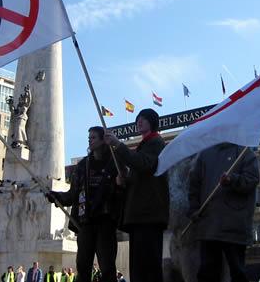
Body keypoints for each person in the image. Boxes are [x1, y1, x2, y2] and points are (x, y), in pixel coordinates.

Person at [46, 126, 120, 282]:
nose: (90, 140)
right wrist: (57, 197)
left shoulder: (113, 163)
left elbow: (122, 189)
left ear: (103, 140)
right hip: (85, 222)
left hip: (106, 221)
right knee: (82, 265)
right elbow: (73, 194)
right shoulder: (82, 166)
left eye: (93, 137)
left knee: (107, 265)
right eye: (89, 138)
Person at [104, 109, 169, 282]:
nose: (139, 122)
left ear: (152, 122)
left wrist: (118, 145)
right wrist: (123, 180)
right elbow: (138, 171)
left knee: (148, 266)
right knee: (139, 267)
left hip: (149, 214)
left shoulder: (156, 142)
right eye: (138, 119)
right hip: (140, 215)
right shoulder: (145, 145)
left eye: (143, 119)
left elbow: (143, 163)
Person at [188, 142, 260, 282]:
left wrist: (232, 180)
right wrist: (194, 209)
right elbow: (194, 185)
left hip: (233, 225)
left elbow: (252, 180)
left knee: (237, 272)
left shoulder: (244, 152)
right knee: (208, 272)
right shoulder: (204, 155)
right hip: (209, 225)